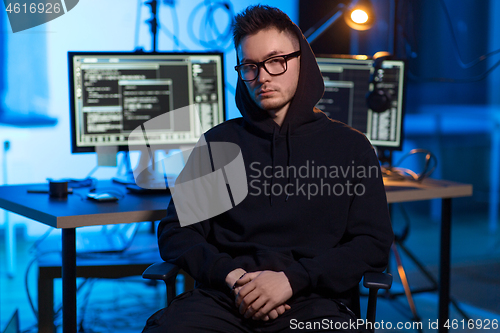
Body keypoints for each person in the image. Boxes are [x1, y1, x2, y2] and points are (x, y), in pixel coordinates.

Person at [143, 4, 393, 332]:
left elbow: (372, 243)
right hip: (224, 297)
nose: (262, 77)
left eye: (275, 61)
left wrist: (292, 280)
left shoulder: (350, 148)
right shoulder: (218, 144)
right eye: (250, 66)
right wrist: (233, 278)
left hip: (314, 302)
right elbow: (176, 232)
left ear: (301, 60)